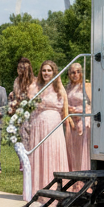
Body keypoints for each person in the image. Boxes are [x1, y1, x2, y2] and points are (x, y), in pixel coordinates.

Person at [28, 60, 70, 194]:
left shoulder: (59, 87)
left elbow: (65, 110)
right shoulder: (36, 87)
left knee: (53, 154)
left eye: (49, 70)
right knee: (41, 156)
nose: (46, 73)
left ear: (54, 72)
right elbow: (30, 106)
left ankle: (54, 188)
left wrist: (68, 126)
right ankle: (38, 189)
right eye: (44, 70)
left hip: (54, 127)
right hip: (39, 126)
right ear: (40, 72)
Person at [64, 62, 92, 174]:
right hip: (72, 122)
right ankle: (73, 177)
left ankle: (83, 177)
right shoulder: (68, 88)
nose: (75, 74)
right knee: (72, 150)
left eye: (78, 72)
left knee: (82, 151)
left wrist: (80, 111)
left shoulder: (86, 86)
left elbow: (92, 104)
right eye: (72, 72)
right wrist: (70, 111)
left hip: (83, 120)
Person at [9, 57, 36, 147]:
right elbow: (16, 96)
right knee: (23, 142)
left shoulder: (35, 81)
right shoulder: (17, 81)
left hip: (33, 114)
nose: (21, 70)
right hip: (21, 114)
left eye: (23, 68)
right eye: (19, 68)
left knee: (33, 141)